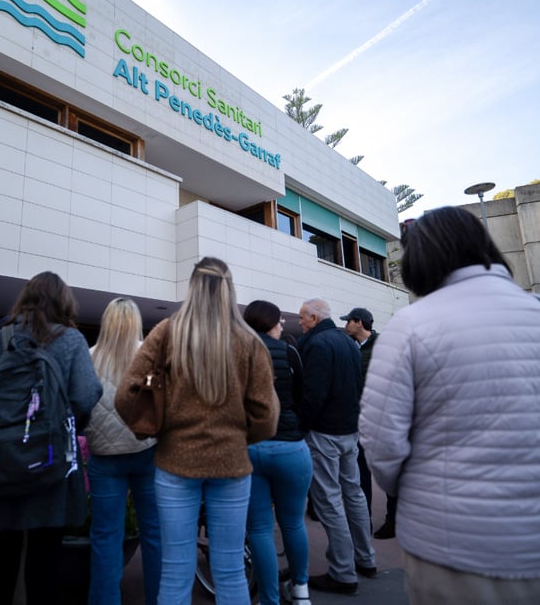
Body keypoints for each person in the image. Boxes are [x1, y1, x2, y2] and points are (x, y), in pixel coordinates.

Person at [359, 206, 540, 605]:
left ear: (419, 257)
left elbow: (381, 443)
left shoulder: (411, 324)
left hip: (450, 542)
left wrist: (419, 488)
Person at [115, 257, 279, 604]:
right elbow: (266, 414)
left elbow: (126, 394)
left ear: (191, 288)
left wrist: (153, 427)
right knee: (231, 569)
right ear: (229, 290)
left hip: (175, 463)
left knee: (175, 571)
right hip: (232, 464)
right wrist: (238, 437)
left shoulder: (166, 333)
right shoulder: (250, 342)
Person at [0, 271, 102, 604]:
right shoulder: (71, 340)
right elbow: (84, 397)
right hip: (48, 470)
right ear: (64, 302)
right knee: (44, 571)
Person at [84, 297, 161, 605]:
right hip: (145, 452)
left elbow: (81, 400)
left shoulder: (90, 357)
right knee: (155, 535)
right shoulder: (148, 355)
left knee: (105, 538)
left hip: (103, 456)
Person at [297, 298, 376, 595]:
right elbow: (356, 387)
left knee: (330, 501)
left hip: (325, 433)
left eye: (304, 317)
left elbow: (314, 395)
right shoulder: (347, 343)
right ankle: (365, 559)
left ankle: (343, 573)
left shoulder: (318, 346)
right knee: (353, 494)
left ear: (315, 318)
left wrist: (301, 425)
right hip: (349, 431)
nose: (301, 322)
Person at [242, 300, 312, 605]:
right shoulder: (290, 351)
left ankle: (269, 599)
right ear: (270, 322)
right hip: (290, 445)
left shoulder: (237, 353)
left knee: (259, 529)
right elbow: (301, 396)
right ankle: (301, 591)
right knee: (293, 522)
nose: (283, 325)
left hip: (250, 447)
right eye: (279, 320)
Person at [340, 306, 396, 540]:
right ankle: (363, 523)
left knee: (389, 472)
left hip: (382, 419)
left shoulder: (384, 346)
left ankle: (393, 520)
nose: (345, 325)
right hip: (358, 419)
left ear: (359, 323)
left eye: (349, 321)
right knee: (360, 472)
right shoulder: (348, 346)